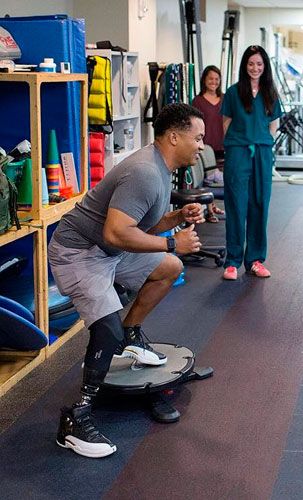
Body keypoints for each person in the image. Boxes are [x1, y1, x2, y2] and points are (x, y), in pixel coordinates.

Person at [49, 103, 206, 458]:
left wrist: (176, 218)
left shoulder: (162, 170)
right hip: (79, 254)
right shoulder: (145, 173)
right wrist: (172, 242)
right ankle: (76, 417)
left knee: (168, 267)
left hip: (108, 249)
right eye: (197, 138)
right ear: (174, 136)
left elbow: (139, 229)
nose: (200, 146)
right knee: (107, 329)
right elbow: (118, 232)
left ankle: (131, 332)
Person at [221, 45, 282, 281]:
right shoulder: (234, 92)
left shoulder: (270, 93)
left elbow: (273, 126)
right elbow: (226, 123)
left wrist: (262, 141)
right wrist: (237, 143)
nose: (255, 68)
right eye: (250, 64)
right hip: (238, 151)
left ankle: (255, 260)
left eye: (259, 64)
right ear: (244, 66)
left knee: (259, 204)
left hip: (263, 153)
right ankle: (233, 262)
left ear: (264, 66)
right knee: (236, 205)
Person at [191, 65, 226, 223]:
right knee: (207, 178)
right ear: (204, 80)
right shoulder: (197, 101)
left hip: (223, 145)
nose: (213, 82)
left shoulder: (225, 99)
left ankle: (214, 207)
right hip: (205, 146)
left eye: (216, 79)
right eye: (210, 78)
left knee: (220, 178)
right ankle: (210, 210)